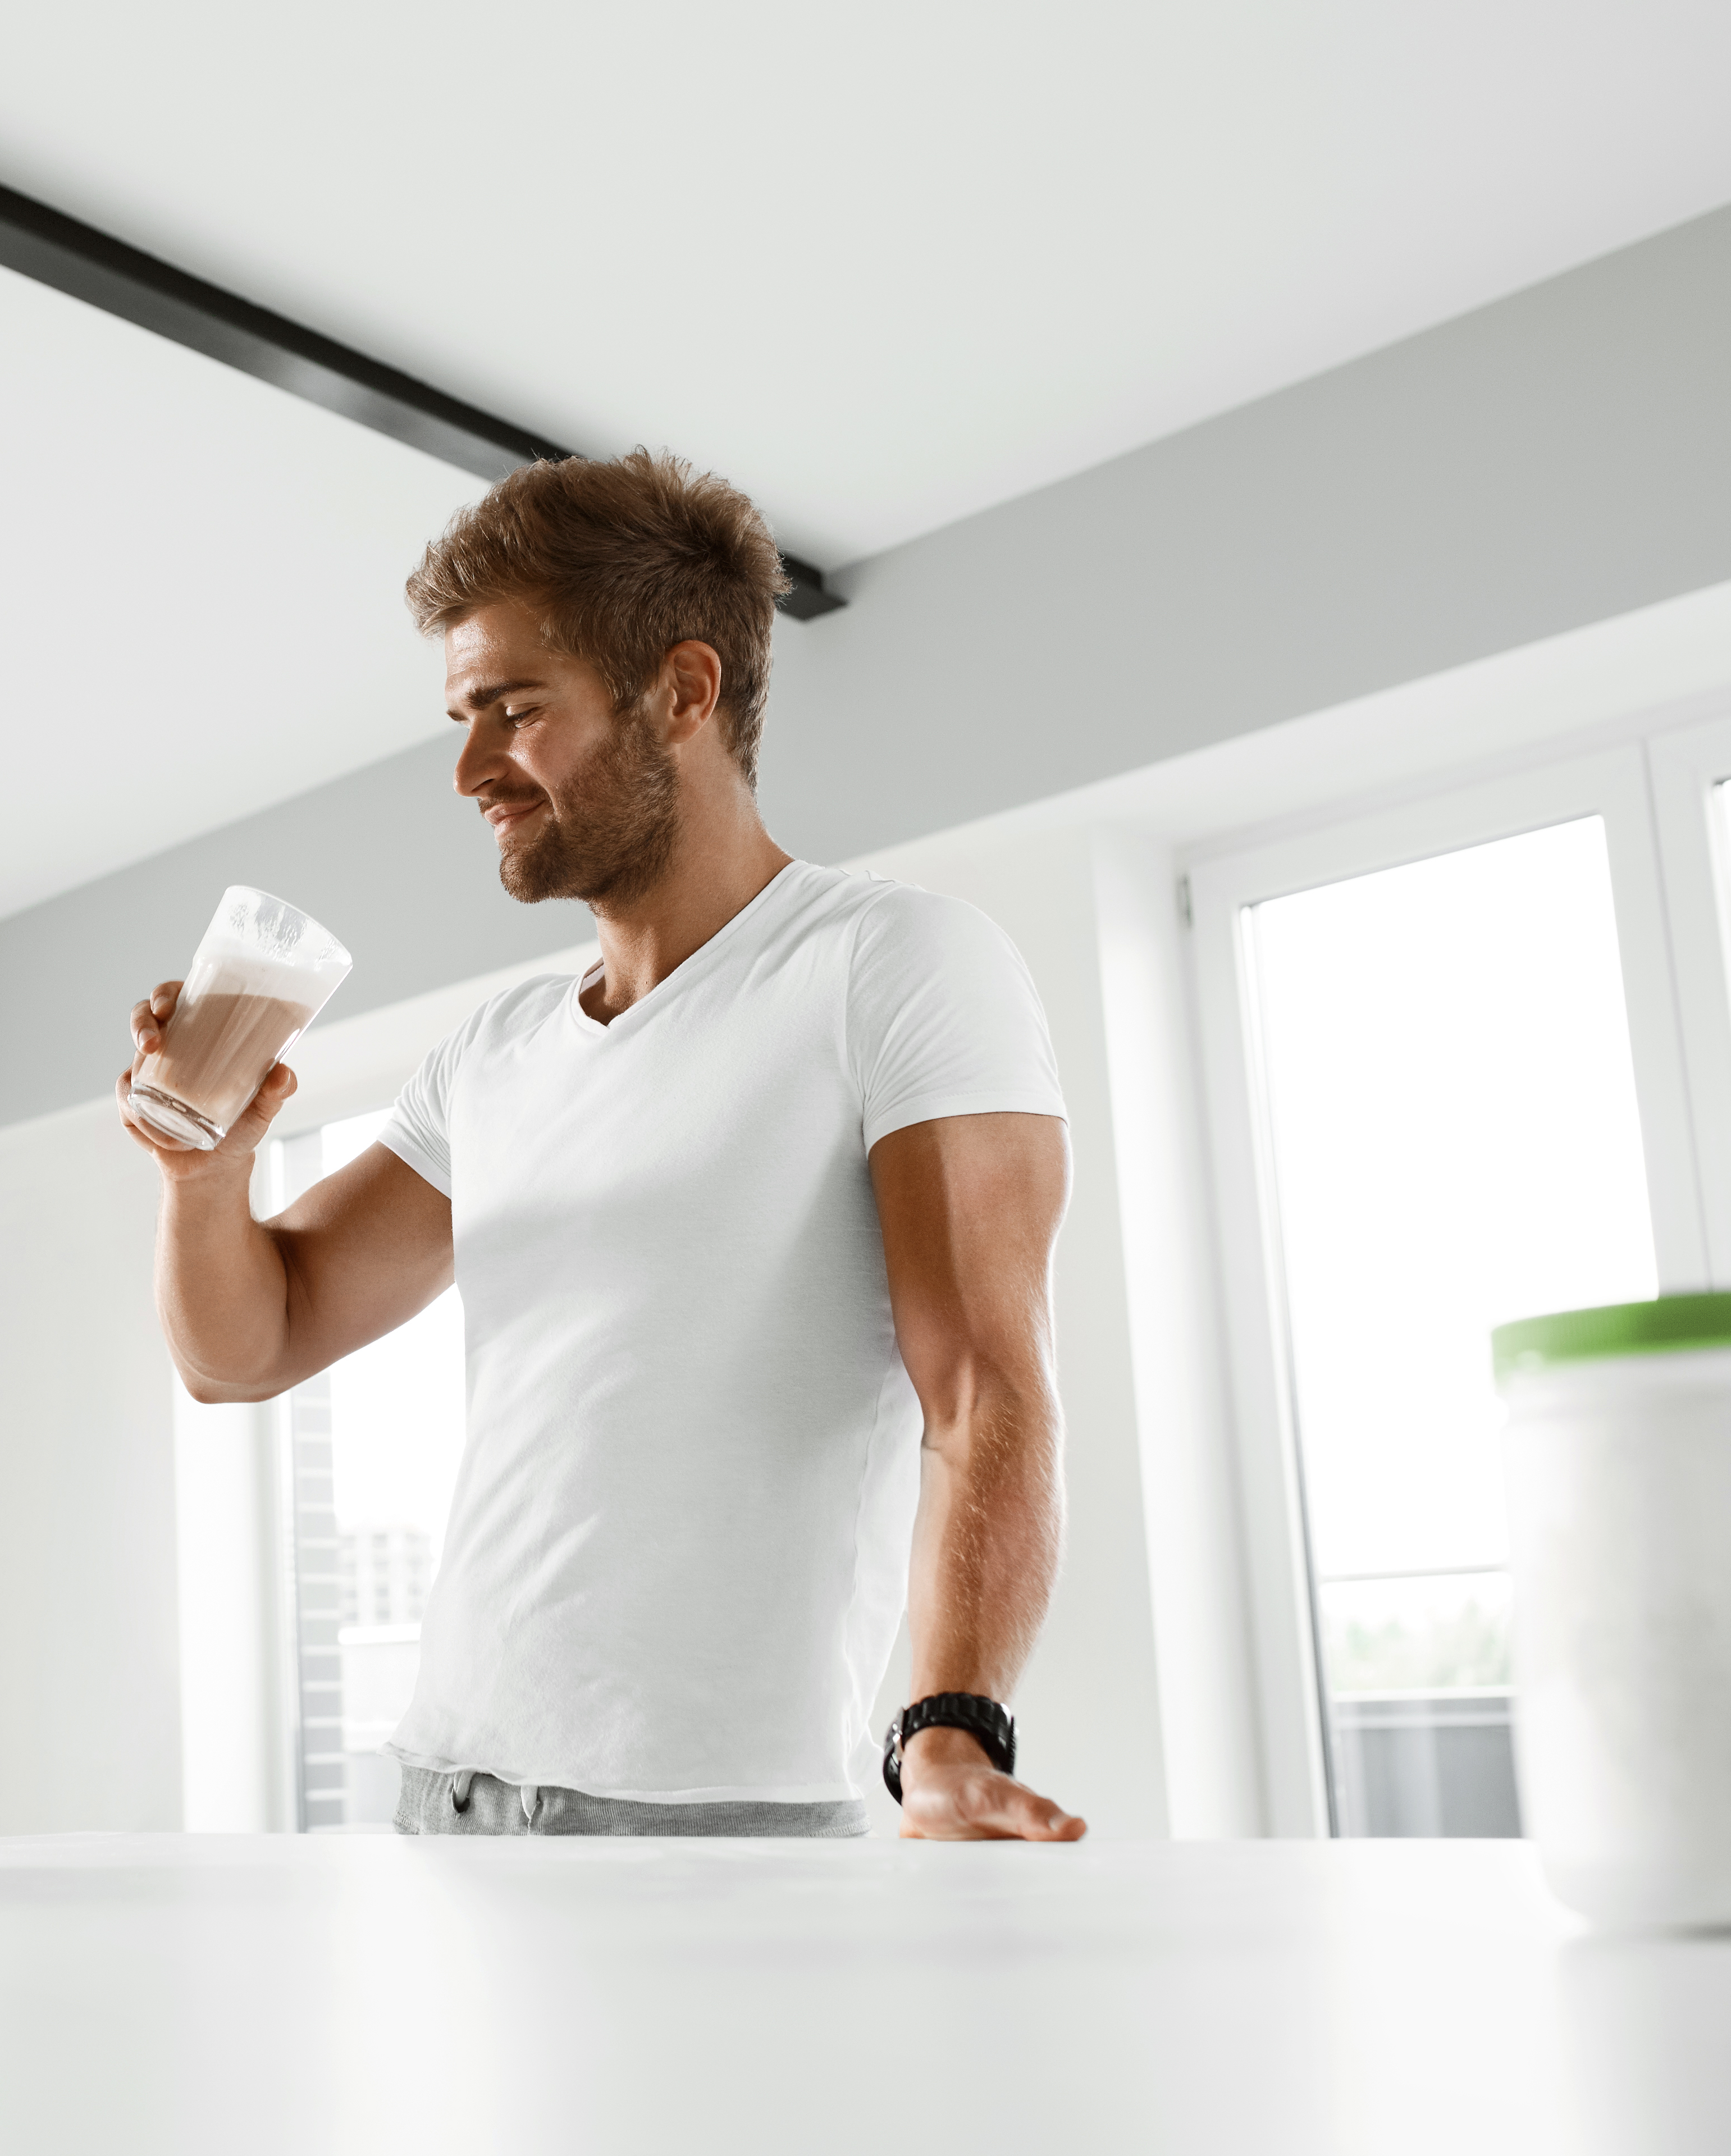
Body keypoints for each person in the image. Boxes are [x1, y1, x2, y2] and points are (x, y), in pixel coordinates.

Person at [118, 451, 1084, 1840]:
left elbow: (985, 1390)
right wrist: (204, 1176)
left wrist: (950, 1727)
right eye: (463, 718)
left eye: (515, 712)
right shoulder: (495, 1050)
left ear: (684, 692)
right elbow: (243, 1349)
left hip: (709, 1815)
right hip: (447, 1792)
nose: (471, 771)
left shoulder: (889, 962)